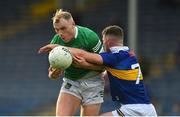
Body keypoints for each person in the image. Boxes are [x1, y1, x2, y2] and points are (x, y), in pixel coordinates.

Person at [39, 25, 157, 116]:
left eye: (103, 41)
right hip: (148, 109)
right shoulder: (129, 55)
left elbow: (83, 54)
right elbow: (101, 67)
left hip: (134, 110)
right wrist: (84, 65)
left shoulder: (114, 57)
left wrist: (57, 47)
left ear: (108, 42)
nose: (103, 45)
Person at [39, 9, 104, 116]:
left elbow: (105, 66)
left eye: (63, 28)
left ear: (73, 24)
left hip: (94, 83)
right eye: (56, 30)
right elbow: (51, 72)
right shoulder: (55, 42)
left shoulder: (89, 37)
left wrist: (85, 65)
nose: (60, 33)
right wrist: (53, 74)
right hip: (72, 83)